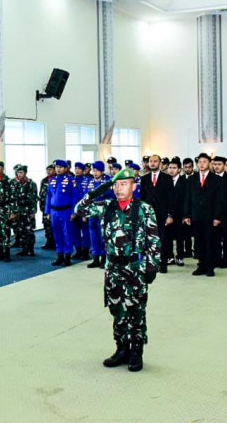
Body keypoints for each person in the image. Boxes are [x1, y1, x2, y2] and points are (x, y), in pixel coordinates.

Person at [74, 167, 160, 372]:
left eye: (123, 184)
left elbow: (154, 239)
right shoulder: (107, 206)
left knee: (136, 310)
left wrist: (151, 266)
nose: (118, 188)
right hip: (112, 267)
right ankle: (121, 349)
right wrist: (98, 190)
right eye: (115, 185)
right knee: (117, 310)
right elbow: (80, 209)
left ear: (133, 186)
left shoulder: (144, 209)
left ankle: (136, 352)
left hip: (135, 267)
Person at [184, 153, 225, 277]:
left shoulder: (217, 179)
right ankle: (201, 265)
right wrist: (187, 215)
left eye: (204, 162)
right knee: (198, 241)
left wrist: (217, 217)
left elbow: (220, 200)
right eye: (200, 162)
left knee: (210, 241)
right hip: (196, 216)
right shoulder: (191, 179)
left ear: (209, 164)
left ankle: (210, 267)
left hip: (211, 216)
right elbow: (187, 198)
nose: (201, 164)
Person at [138, 154, 173, 273]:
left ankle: (163, 264)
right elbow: (142, 198)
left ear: (160, 163)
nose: (152, 163)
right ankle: (151, 264)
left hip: (162, 214)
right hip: (148, 215)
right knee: (148, 240)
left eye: (155, 161)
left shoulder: (167, 178)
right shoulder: (144, 179)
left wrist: (170, 215)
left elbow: (171, 198)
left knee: (162, 240)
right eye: (151, 161)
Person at [46, 159, 75, 267]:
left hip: (65, 211)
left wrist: (73, 212)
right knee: (57, 234)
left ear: (66, 168)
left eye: (60, 167)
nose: (58, 169)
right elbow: (48, 197)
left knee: (67, 234)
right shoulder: (52, 180)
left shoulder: (71, 180)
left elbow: (74, 198)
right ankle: (59, 256)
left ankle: (67, 257)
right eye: (57, 167)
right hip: (54, 212)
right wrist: (47, 211)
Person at [83, 161, 112, 268]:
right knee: (93, 234)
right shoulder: (90, 182)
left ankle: (104, 258)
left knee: (103, 235)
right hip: (92, 211)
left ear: (102, 171)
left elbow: (112, 196)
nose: (94, 173)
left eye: (96, 170)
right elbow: (85, 197)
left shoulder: (108, 182)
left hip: (103, 212)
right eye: (93, 170)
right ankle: (95, 257)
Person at [10, 164, 38, 257]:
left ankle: (30, 249)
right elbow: (13, 198)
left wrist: (33, 212)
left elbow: (32, 199)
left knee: (29, 231)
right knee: (20, 231)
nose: (19, 174)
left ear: (25, 173)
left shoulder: (31, 183)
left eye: (21, 172)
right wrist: (14, 211)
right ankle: (24, 249)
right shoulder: (15, 183)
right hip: (19, 211)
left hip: (28, 211)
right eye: (18, 172)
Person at [39, 164, 56, 250]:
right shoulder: (44, 180)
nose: (49, 171)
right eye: (47, 170)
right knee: (46, 225)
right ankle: (49, 241)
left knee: (54, 226)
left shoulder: (57, 179)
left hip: (54, 207)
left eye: (50, 169)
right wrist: (41, 206)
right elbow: (41, 194)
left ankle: (55, 242)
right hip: (45, 206)